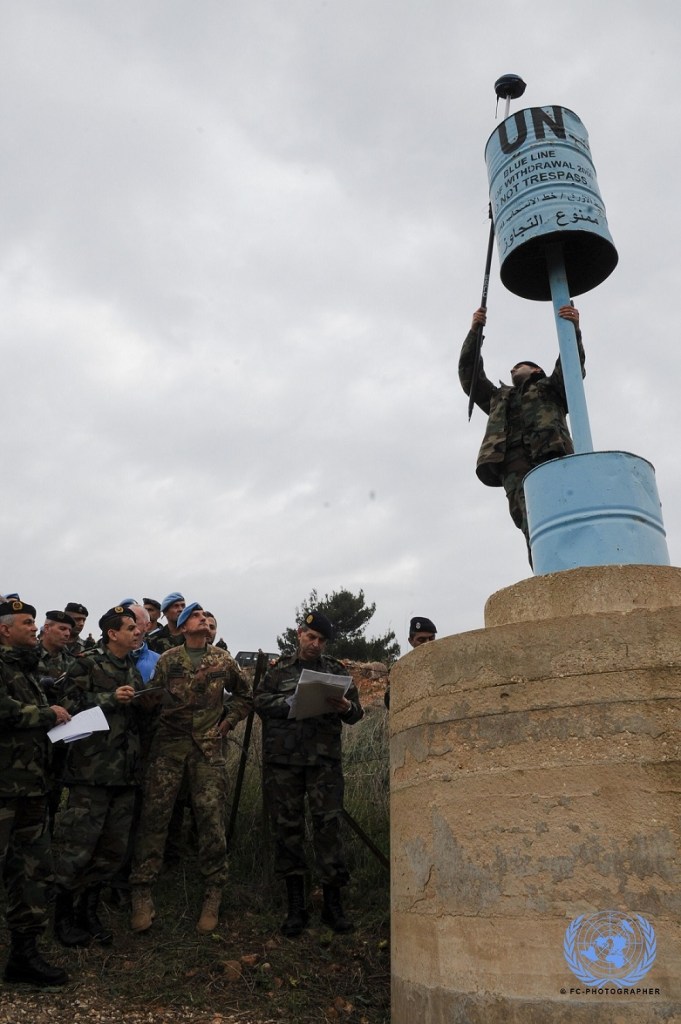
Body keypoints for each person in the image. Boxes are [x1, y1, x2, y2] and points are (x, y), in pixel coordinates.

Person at [129, 602, 252, 935]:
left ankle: (213, 891)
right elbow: (152, 699)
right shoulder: (168, 660)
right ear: (182, 628)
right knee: (155, 817)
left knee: (211, 817)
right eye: (195, 616)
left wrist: (228, 721)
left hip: (208, 750)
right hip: (169, 748)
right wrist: (143, 698)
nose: (203, 619)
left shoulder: (223, 660)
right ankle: (142, 891)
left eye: (205, 616)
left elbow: (245, 695)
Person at [254, 611, 364, 937]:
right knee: (287, 832)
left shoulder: (336, 671)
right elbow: (259, 701)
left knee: (328, 830)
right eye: (311, 637)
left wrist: (346, 708)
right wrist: (289, 702)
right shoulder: (279, 671)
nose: (315, 644)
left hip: (323, 764)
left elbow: (356, 713)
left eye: (321, 640)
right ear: (299, 634)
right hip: (283, 764)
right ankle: (295, 909)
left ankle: (333, 906)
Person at [52, 606, 148, 948]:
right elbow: (66, 704)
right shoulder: (88, 663)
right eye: (130, 627)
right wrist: (109, 698)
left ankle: (88, 913)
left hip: (124, 775)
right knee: (77, 848)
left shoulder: (131, 668)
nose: (137, 631)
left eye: (137, 627)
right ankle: (62, 916)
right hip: (91, 774)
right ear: (112, 634)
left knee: (111, 850)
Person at [459, 304, 585, 555]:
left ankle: (576, 567)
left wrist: (574, 329)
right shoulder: (498, 398)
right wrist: (474, 333)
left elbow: (571, 365)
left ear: (536, 370)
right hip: (513, 464)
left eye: (519, 366)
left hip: (551, 456)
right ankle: (545, 574)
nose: (512, 370)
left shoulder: (551, 388)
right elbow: (469, 376)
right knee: (532, 524)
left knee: (565, 513)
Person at [0, 599, 72, 987]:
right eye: (28, 622)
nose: (34, 627)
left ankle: (23, 958)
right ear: (4, 629)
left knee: (31, 872)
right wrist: (48, 715)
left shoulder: (27, 668)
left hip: (30, 788)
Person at [37, 610, 78, 831]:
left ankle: (49, 833)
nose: (66, 634)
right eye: (61, 629)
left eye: (69, 631)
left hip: (61, 734)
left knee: (55, 786)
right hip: (32, 733)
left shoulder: (71, 662)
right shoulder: (27, 655)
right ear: (46, 628)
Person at [384, 617, 437, 709]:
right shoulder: (400, 669)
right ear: (411, 641)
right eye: (421, 640)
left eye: (431, 638)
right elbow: (390, 702)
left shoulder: (442, 663)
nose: (427, 643)